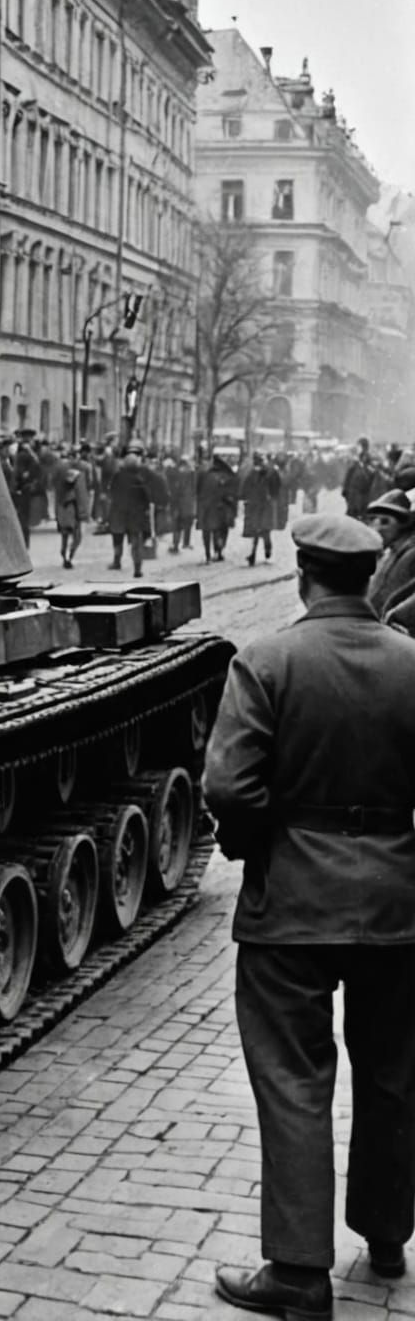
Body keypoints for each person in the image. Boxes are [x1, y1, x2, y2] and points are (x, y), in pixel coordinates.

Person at [206, 513, 415, 1321]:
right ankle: (389, 1234)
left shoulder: (267, 661)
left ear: (304, 578)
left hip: (289, 907)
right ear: (368, 579)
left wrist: (265, 843)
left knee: (294, 1082)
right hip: (398, 905)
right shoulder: (411, 664)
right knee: (395, 1075)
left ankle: (297, 1274)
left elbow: (229, 788)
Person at [367, 489, 415, 634]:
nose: (377, 528)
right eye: (373, 520)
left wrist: (397, 616)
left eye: (385, 522)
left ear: (403, 524)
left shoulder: (411, 554)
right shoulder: (387, 553)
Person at [105, 446, 151, 576]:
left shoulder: (117, 477)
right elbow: (146, 498)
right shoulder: (139, 479)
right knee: (136, 542)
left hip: (119, 513)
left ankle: (116, 561)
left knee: (117, 539)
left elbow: (111, 492)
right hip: (135, 515)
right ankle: (137, 568)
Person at [241, 452, 282, 566]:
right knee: (262, 530)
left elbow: (246, 487)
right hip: (261, 505)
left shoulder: (257, 473)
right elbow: (277, 486)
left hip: (260, 505)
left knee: (260, 530)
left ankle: (260, 552)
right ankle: (260, 552)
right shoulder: (269, 471)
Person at [198, 452, 240, 563]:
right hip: (221, 508)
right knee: (220, 530)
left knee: (206, 531)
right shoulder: (228, 476)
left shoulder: (204, 474)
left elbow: (197, 490)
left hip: (205, 507)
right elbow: (232, 495)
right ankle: (219, 551)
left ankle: (208, 554)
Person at [54, 463, 89, 569]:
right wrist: (83, 514)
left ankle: (65, 557)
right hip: (74, 512)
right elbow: (81, 497)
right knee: (77, 537)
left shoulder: (60, 486)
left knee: (64, 536)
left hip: (63, 511)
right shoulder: (78, 478)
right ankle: (69, 556)